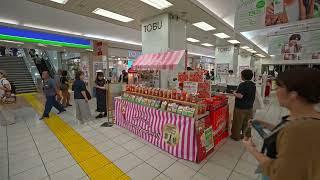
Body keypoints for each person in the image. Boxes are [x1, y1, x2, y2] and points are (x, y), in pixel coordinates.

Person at [243, 68, 320, 180]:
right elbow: (288, 133)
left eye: (279, 87)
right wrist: (266, 125)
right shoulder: (307, 118)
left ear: (293, 95)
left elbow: (280, 173)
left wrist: (251, 149)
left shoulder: (300, 130)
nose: (276, 91)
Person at [231, 69, 256, 141]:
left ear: (244, 76)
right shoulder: (253, 85)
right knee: (247, 123)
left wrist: (234, 93)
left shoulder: (242, 84)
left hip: (240, 107)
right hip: (250, 107)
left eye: (241, 75)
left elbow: (240, 96)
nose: (240, 76)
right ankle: (246, 136)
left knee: (237, 122)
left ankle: (236, 136)